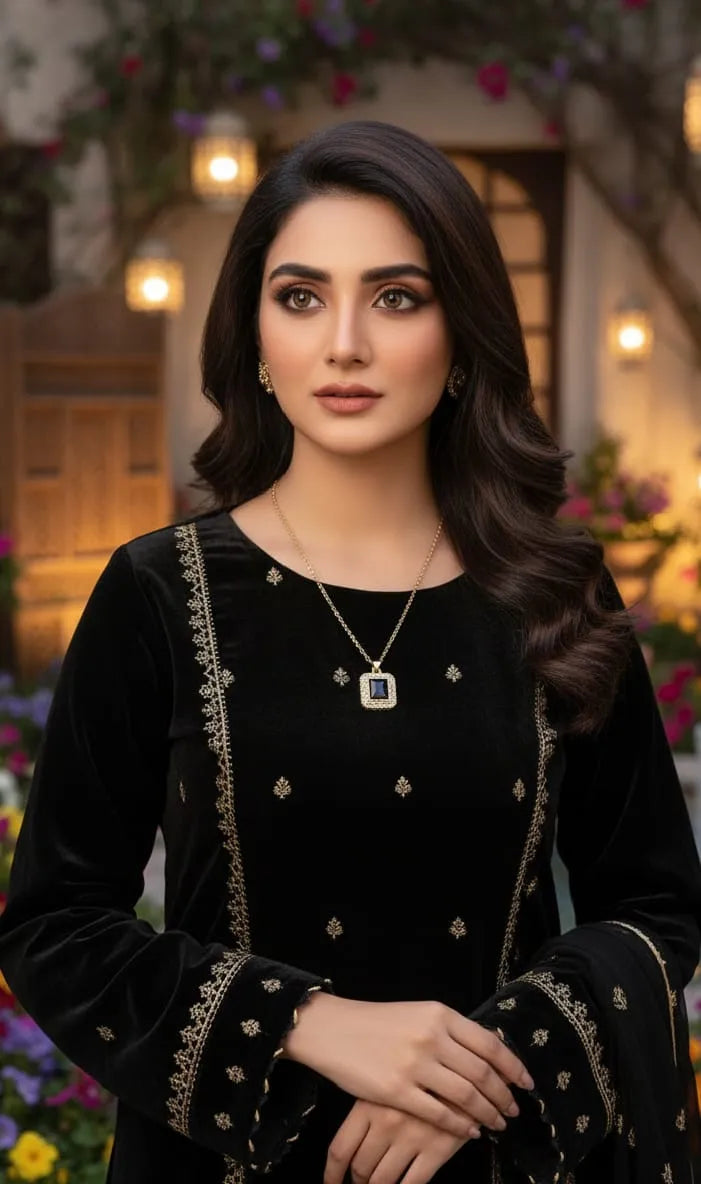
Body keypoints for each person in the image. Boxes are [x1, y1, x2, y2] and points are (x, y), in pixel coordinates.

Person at [0, 119, 700, 1184]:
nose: (343, 345)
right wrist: (309, 1020)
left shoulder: (550, 594)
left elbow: (656, 904)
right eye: (300, 295)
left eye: (395, 296)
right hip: (226, 1159)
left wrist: (480, 1069)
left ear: (459, 334)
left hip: (497, 1153)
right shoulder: (158, 592)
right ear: (254, 334)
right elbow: (55, 925)